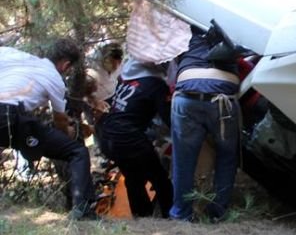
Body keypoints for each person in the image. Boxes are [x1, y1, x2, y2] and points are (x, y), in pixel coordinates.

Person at [0, 39, 96, 219]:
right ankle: (82, 209)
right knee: (78, 152)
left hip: (10, 117)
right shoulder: (55, 79)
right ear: (66, 65)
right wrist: (72, 131)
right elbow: (60, 121)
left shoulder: (12, 54)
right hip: (10, 117)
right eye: (68, 69)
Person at [169, 24, 241, 222]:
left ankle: (181, 213)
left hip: (187, 93)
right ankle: (217, 213)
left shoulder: (185, 30)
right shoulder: (235, 27)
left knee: (183, 160)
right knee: (226, 157)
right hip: (223, 96)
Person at [95, 58, 173, 217]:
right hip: (129, 137)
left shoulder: (128, 80)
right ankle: (171, 216)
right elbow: (168, 117)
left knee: (133, 179)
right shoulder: (156, 84)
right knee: (159, 179)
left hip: (108, 135)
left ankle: (142, 219)